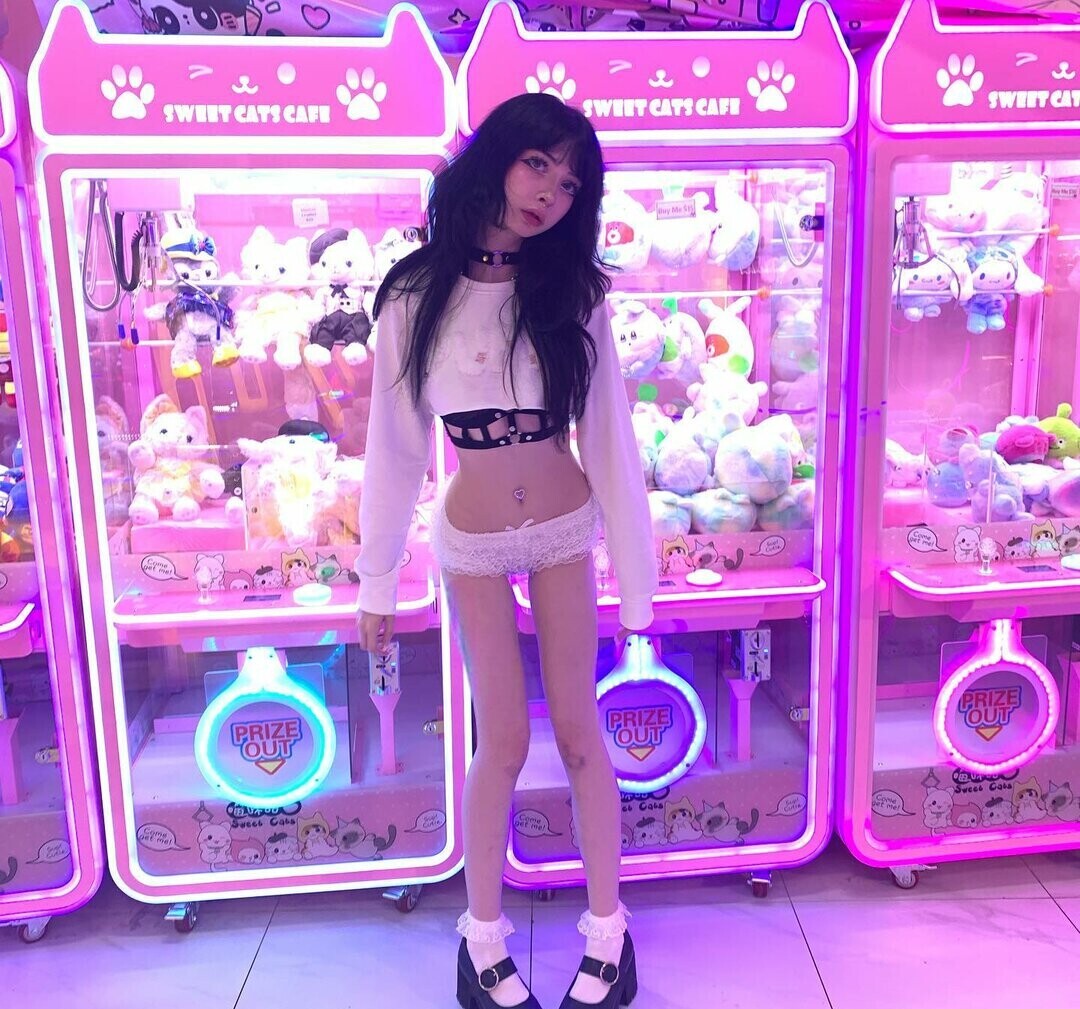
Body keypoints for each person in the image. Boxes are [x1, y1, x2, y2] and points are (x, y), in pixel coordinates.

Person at [356, 93, 656, 1009]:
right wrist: (375, 581)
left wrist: (637, 586)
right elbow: (394, 447)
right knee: (504, 740)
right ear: (495, 158)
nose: (550, 194)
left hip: (564, 525)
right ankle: (481, 941)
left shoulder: (574, 294)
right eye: (538, 165)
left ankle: (609, 935)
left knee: (580, 732)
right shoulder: (412, 295)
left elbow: (610, 440)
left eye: (570, 184)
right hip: (473, 538)